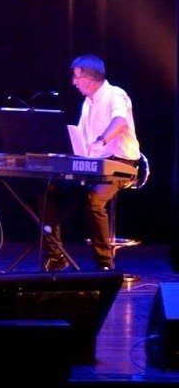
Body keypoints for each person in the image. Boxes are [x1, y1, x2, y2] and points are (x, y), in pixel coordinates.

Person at [41, 54, 140, 272]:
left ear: (89, 78)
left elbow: (120, 122)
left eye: (76, 77)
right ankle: (55, 256)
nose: (73, 82)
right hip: (92, 166)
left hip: (120, 165)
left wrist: (101, 141)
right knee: (51, 191)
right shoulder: (87, 103)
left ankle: (105, 266)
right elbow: (81, 140)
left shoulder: (116, 94)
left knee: (95, 200)